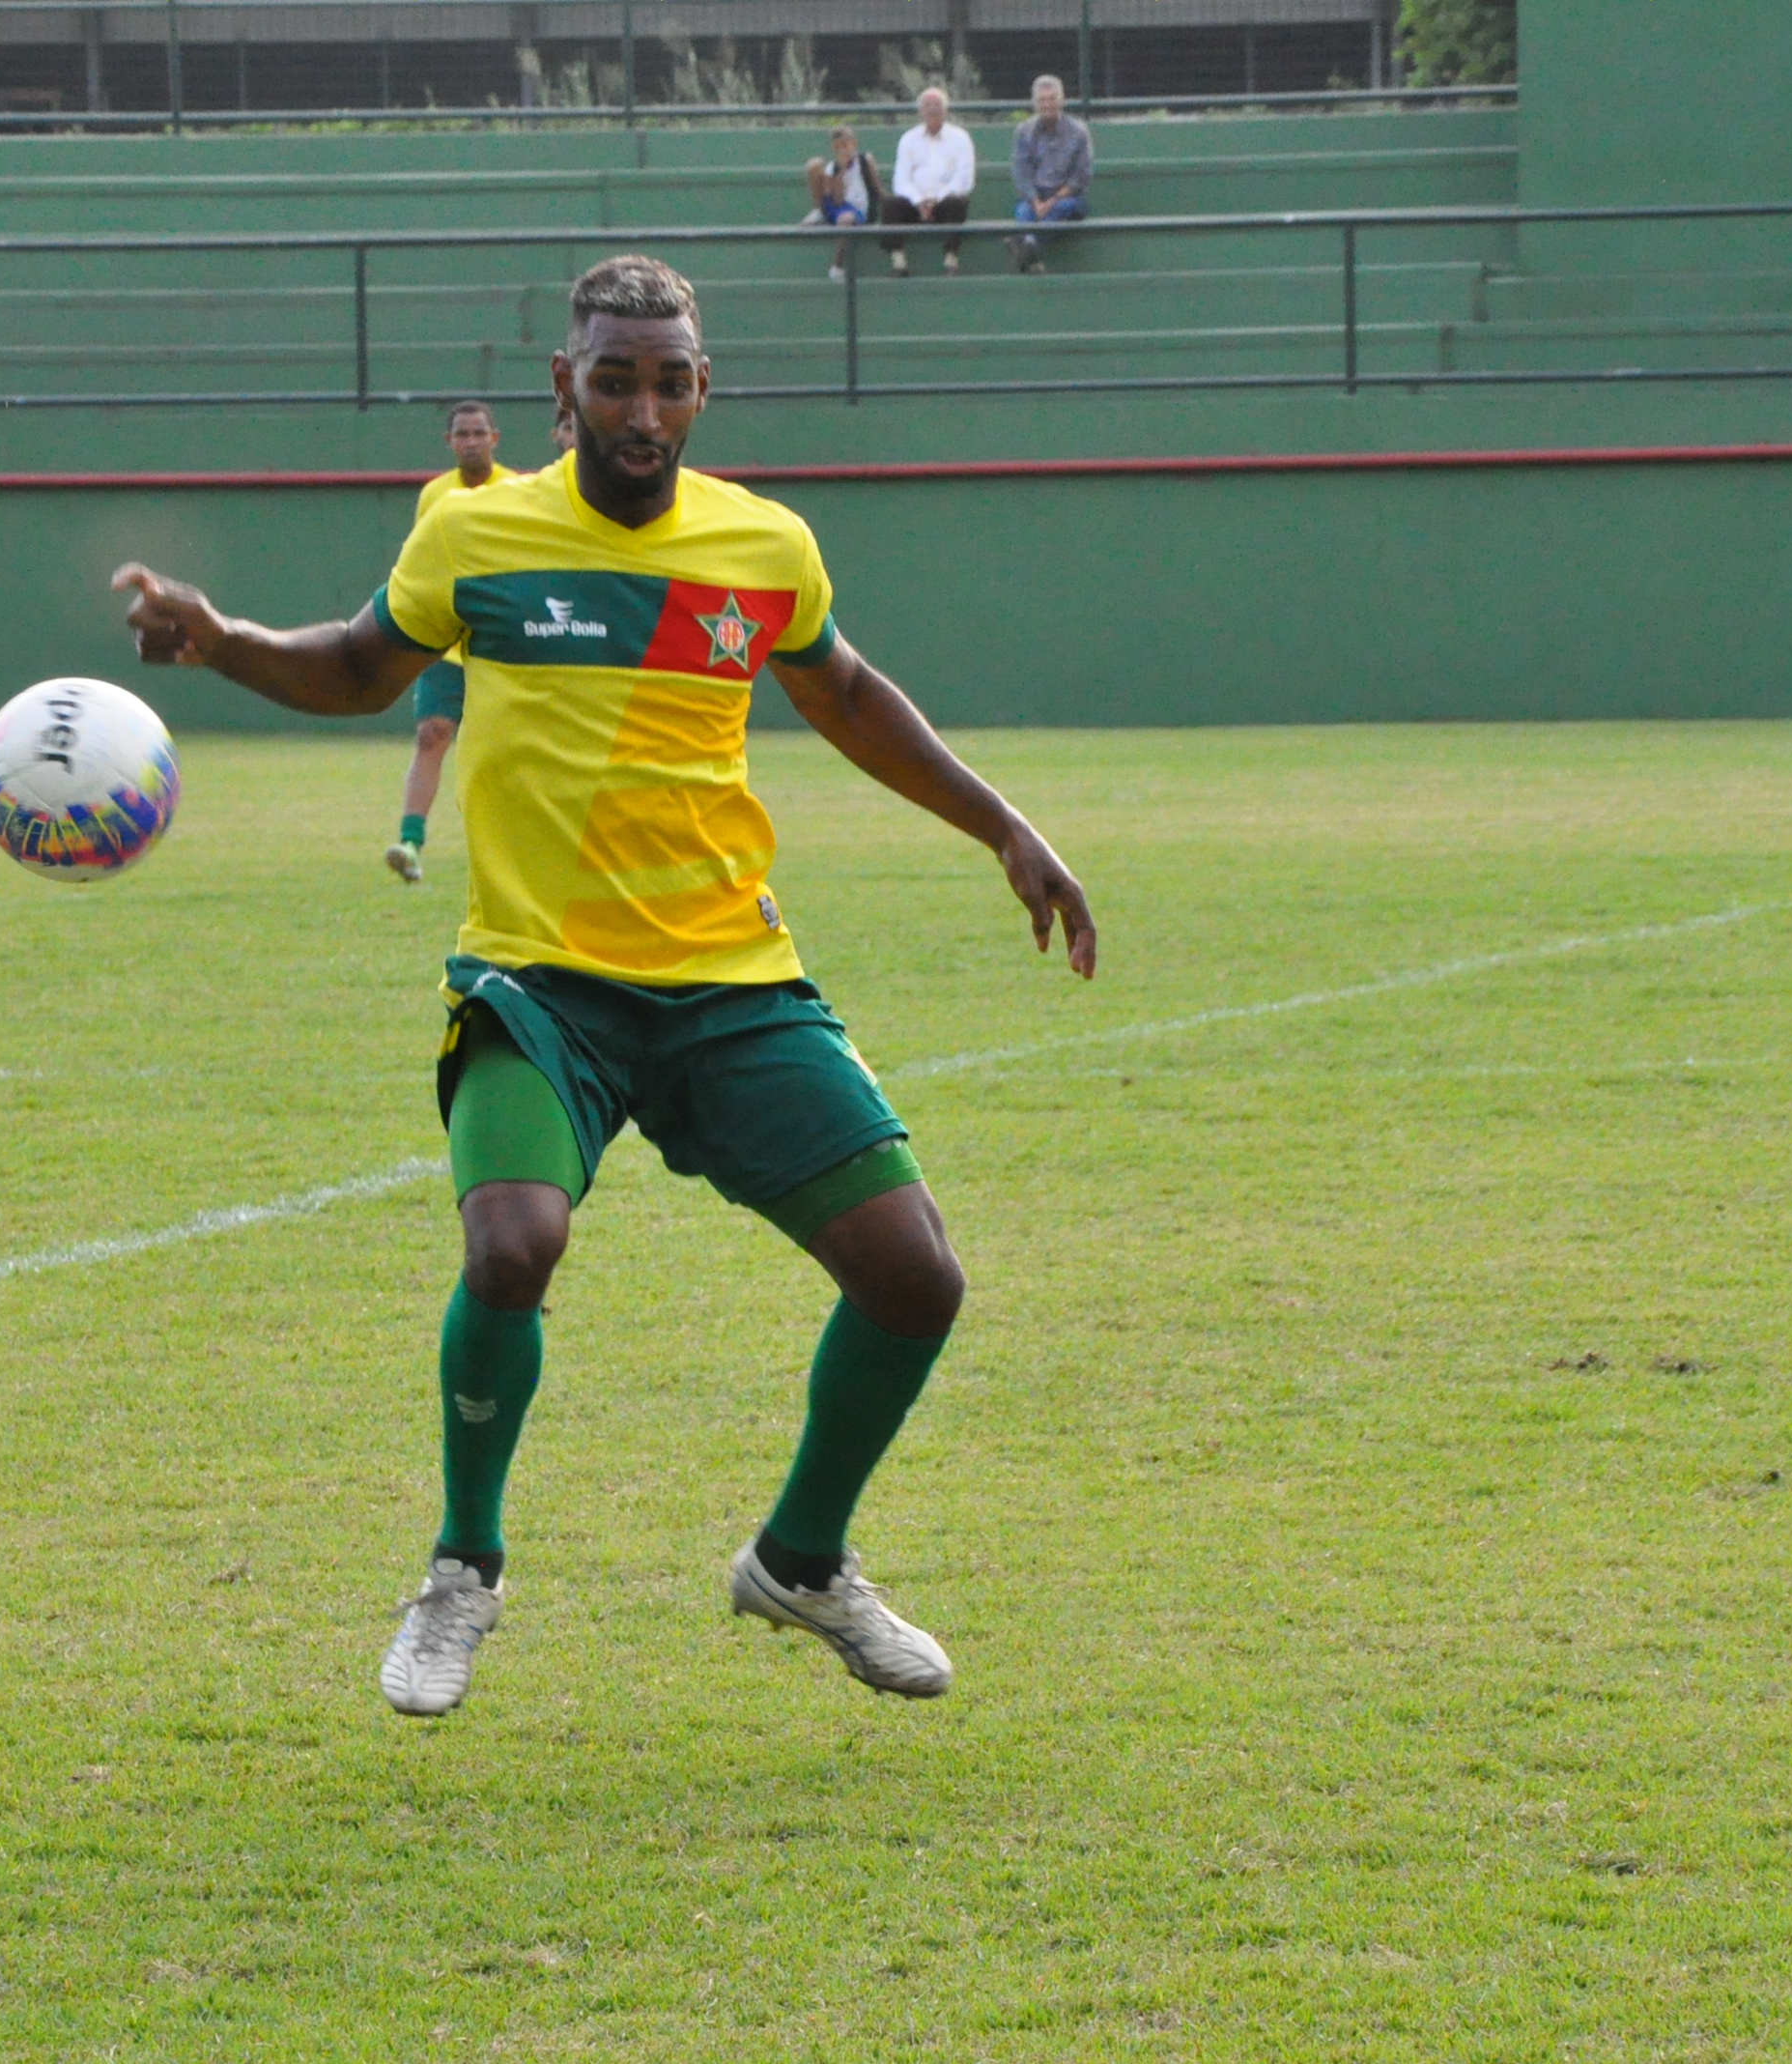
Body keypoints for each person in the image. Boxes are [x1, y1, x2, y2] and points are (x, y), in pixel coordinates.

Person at [109, 254, 1098, 1719]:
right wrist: (226, 642)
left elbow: (852, 699)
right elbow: (363, 666)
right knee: (511, 1247)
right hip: (540, 983)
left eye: (669, 379)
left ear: (705, 391)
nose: (643, 406)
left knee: (916, 1277)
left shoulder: (765, 549)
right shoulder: (478, 535)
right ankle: (463, 1570)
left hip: (729, 980)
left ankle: (803, 1563)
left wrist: (1004, 824)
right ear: (564, 389)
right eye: (614, 377)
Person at [384, 399, 519, 885]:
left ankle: (517, 850)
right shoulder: (434, 496)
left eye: (479, 433)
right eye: (461, 434)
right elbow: (426, 566)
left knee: (506, 752)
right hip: (448, 641)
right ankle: (410, 843)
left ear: (495, 438)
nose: (470, 441)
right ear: (449, 442)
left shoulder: (518, 492)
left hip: (501, 643)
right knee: (431, 735)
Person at [883, 86, 976, 277]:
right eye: (927, 105)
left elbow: (964, 178)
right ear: (920, 111)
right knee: (890, 204)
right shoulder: (908, 139)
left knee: (957, 202)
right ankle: (899, 262)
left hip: (945, 205)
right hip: (914, 206)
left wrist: (936, 200)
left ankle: (951, 260)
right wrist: (919, 201)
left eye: (937, 105)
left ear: (946, 110)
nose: (932, 109)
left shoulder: (960, 139)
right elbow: (900, 180)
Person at [1008, 74, 1092, 275]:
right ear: (1035, 104)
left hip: (1068, 197)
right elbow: (1022, 172)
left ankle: (1027, 244)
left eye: (1052, 99)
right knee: (1023, 213)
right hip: (1035, 197)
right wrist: (1036, 201)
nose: (1047, 104)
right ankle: (1032, 257)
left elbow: (1082, 175)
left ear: (1061, 100)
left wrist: (1052, 200)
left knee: (1063, 208)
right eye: (1042, 100)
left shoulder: (1078, 131)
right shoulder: (1023, 131)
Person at [803, 125, 884, 282]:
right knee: (814, 165)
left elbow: (877, 187)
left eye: (848, 144)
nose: (845, 149)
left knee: (846, 219)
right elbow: (837, 200)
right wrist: (842, 170)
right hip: (837, 205)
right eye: (840, 146)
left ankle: (837, 267)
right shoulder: (833, 167)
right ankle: (818, 211)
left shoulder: (864, 160)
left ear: (854, 143)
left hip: (857, 211)